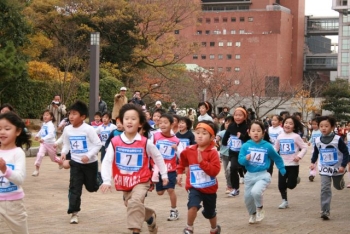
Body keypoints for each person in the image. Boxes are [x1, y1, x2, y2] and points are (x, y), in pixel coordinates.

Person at [100, 104, 168, 234]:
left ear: (140, 123)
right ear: (120, 121)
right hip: (124, 181)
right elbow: (107, 161)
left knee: (135, 201)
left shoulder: (145, 142)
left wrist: (164, 175)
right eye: (126, 118)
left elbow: (158, 157)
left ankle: (135, 230)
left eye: (133, 119)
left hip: (142, 180)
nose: (129, 121)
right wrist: (106, 180)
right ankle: (149, 217)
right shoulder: (115, 142)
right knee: (131, 204)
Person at [60, 101, 103, 224]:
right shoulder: (67, 129)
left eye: (74, 114)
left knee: (91, 187)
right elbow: (66, 144)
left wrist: (88, 155)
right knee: (74, 188)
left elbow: (98, 144)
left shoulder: (88, 129)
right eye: (70, 114)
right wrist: (63, 153)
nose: (71, 116)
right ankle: (74, 213)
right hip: (76, 163)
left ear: (83, 117)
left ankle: (98, 177)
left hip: (90, 164)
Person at [177, 120, 221, 234]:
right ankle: (189, 228)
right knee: (193, 205)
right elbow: (182, 161)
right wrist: (180, 172)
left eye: (204, 133)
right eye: (197, 132)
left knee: (210, 213)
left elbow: (214, 171)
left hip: (209, 188)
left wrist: (203, 163)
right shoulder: (189, 150)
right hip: (194, 186)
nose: (200, 136)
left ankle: (214, 228)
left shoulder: (213, 152)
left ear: (212, 138)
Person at [238, 121, 286, 224]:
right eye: (253, 131)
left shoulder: (267, 146)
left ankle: (259, 208)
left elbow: (277, 158)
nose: (256, 133)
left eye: (259, 131)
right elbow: (240, 160)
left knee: (256, 192)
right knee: (247, 198)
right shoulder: (245, 146)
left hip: (263, 175)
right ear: (249, 132)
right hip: (249, 176)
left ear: (263, 132)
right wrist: (245, 159)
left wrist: (282, 169)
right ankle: (252, 214)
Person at [310, 116, 349, 220]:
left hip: (338, 168)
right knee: (325, 188)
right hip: (324, 168)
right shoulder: (318, 140)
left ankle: (341, 181)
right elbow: (316, 152)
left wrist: (343, 166)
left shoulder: (337, 139)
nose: (323, 128)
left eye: (326, 126)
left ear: (332, 127)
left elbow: (346, 153)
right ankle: (325, 210)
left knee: (338, 187)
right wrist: (313, 162)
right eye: (321, 126)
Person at [0, 111, 31, 234]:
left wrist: (5, 169)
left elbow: (19, 179)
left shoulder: (18, 153)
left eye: (7, 128)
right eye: (0, 128)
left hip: (13, 203)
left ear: (17, 131)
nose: (2, 132)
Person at [152, 114, 183, 221]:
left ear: (171, 124)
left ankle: (174, 211)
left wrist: (176, 149)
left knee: (170, 189)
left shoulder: (176, 140)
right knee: (160, 193)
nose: (162, 125)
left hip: (170, 169)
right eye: (160, 123)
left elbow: (182, 155)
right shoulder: (155, 136)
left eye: (165, 122)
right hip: (158, 169)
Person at [274, 116, 307, 209]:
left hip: (293, 164)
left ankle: (295, 178)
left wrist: (299, 156)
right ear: (283, 124)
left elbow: (304, 147)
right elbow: (275, 148)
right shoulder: (280, 136)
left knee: (291, 185)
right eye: (286, 123)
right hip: (282, 164)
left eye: (290, 123)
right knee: (281, 184)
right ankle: (284, 201)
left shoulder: (296, 136)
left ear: (294, 126)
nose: (288, 125)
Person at [222, 107, 250, 197]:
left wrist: (242, 136)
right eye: (236, 115)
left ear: (244, 116)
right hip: (234, 152)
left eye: (240, 115)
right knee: (233, 168)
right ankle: (235, 188)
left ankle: (251, 188)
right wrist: (224, 142)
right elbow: (226, 136)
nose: (238, 117)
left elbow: (250, 140)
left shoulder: (247, 126)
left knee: (248, 171)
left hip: (245, 153)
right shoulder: (231, 126)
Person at [32, 110, 62, 176]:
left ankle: (60, 162)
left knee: (53, 159)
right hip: (43, 144)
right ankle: (36, 170)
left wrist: (43, 138)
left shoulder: (51, 125)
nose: (45, 116)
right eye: (44, 115)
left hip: (51, 144)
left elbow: (51, 134)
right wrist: (37, 135)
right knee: (40, 155)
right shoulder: (44, 124)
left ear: (51, 117)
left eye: (47, 115)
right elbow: (41, 130)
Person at [216, 116, 234, 194]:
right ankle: (229, 186)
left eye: (230, 122)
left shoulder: (235, 132)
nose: (228, 124)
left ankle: (232, 186)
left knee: (229, 170)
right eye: (226, 122)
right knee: (226, 171)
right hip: (224, 154)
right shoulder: (222, 132)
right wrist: (216, 139)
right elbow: (217, 138)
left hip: (233, 155)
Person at [308, 117, 321, 182]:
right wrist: (309, 141)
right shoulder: (313, 131)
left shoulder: (321, 131)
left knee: (321, 161)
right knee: (313, 161)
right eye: (312, 124)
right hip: (314, 148)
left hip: (321, 148)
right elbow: (312, 137)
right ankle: (312, 174)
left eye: (315, 124)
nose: (314, 125)